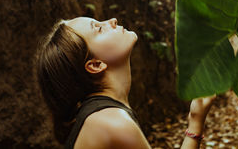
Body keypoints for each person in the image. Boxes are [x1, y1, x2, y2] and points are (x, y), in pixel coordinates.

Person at [36, 16, 216, 149]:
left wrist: (196, 118)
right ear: (96, 65)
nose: (112, 21)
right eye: (99, 28)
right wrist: (196, 122)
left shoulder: (98, 117)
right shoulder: (112, 123)